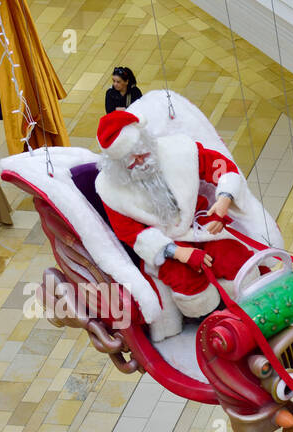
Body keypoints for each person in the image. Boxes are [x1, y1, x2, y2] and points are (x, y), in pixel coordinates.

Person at [94, 110, 254, 338]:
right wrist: (180, 253)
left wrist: (224, 198)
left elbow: (220, 166)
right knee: (185, 282)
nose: (141, 163)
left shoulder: (179, 150)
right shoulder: (110, 189)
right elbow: (131, 234)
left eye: (142, 155)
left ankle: (255, 305)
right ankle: (214, 324)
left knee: (233, 257)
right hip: (166, 245)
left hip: (200, 227)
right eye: (133, 161)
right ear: (118, 164)